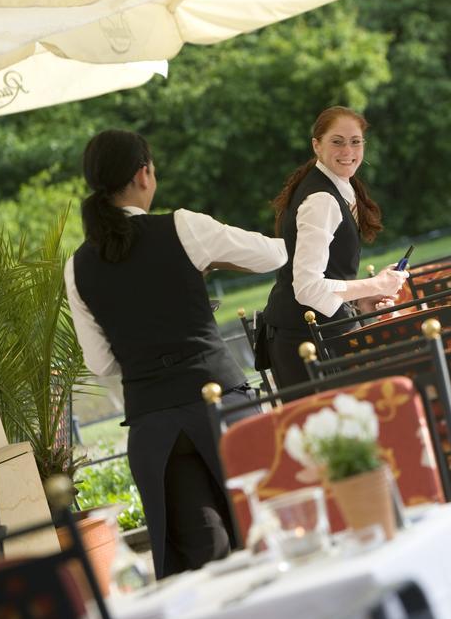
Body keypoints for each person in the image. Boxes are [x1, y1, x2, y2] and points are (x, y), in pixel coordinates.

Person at [65, 129, 287, 579]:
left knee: (206, 558)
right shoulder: (184, 226)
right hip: (219, 405)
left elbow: (101, 363)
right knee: (269, 528)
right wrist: (212, 262)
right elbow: (272, 256)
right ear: (144, 173)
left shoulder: (77, 265)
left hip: (154, 428)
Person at [263, 106, 407, 388]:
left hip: (317, 334)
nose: (348, 150)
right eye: (337, 141)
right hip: (305, 345)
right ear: (316, 145)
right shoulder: (322, 200)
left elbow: (327, 275)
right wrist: (376, 284)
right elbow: (308, 288)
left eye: (355, 141)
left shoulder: (338, 187)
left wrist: (360, 300)